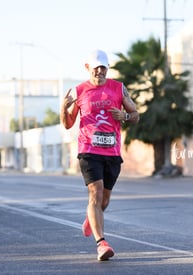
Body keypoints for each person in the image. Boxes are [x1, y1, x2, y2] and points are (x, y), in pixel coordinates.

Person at [60, 49, 139, 261]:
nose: (99, 71)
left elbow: (135, 115)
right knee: (95, 194)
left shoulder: (118, 88)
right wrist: (63, 108)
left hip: (112, 153)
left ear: (107, 68)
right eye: (95, 68)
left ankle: (91, 217)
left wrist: (124, 115)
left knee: (104, 200)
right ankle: (101, 244)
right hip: (88, 151)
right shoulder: (78, 92)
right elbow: (68, 124)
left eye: (103, 67)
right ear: (88, 68)